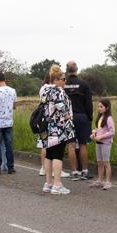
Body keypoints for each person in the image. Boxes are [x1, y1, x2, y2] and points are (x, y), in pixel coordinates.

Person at [39, 65, 75, 195]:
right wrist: (68, 116)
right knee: (57, 156)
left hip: (45, 127)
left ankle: (48, 183)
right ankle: (57, 184)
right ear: (56, 80)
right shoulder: (58, 90)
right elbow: (61, 106)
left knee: (49, 155)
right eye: (63, 79)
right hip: (58, 127)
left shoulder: (44, 90)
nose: (65, 81)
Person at [64, 61, 93, 180]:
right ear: (77, 69)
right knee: (83, 145)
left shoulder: (63, 85)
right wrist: (89, 118)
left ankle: (75, 172)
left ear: (67, 70)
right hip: (82, 117)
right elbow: (89, 103)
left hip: (68, 118)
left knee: (71, 145)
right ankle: (84, 171)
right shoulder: (84, 84)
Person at [89, 99, 115, 189]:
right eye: (98, 106)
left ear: (107, 108)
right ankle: (100, 181)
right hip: (98, 142)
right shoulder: (100, 117)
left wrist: (101, 137)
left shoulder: (109, 118)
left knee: (106, 162)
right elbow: (98, 128)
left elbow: (112, 132)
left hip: (106, 143)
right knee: (99, 162)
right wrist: (94, 133)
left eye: (101, 107)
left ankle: (108, 182)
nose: (99, 108)